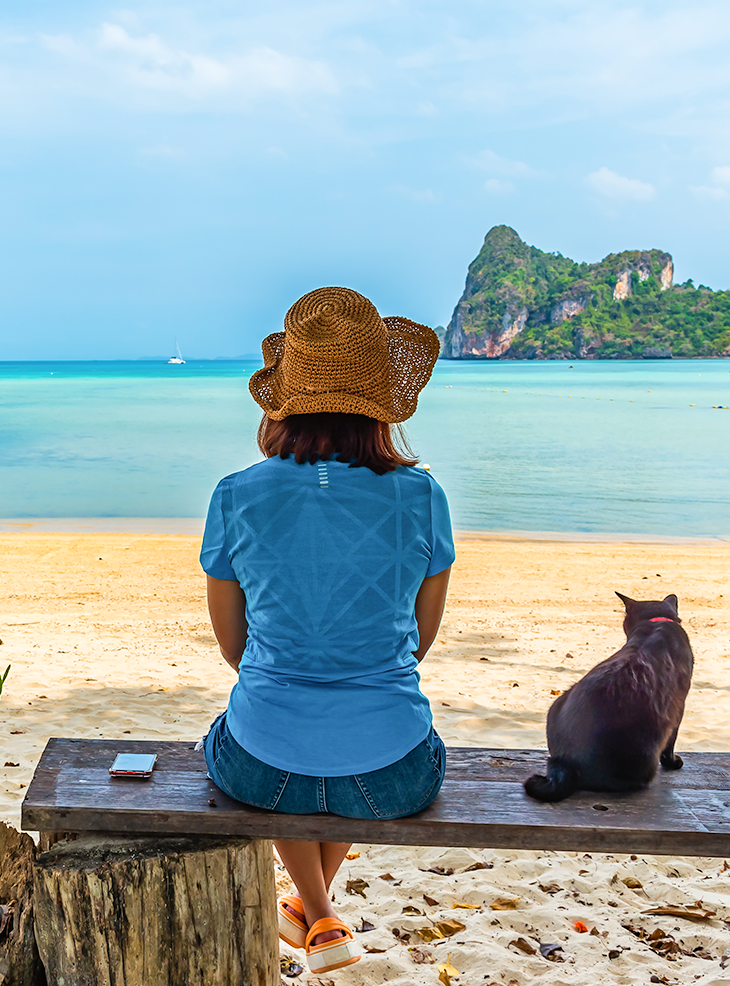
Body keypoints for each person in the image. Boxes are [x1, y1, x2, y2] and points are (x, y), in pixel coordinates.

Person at [200, 286, 453, 974]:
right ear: (381, 406)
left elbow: (234, 648)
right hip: (393, 773)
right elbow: (416, 644)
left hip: (261, 766)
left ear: (284, 400)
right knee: (350, 758)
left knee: (261, 745)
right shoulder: (424, 497)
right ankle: (318, 912)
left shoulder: (234, 495)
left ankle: (313, 912)